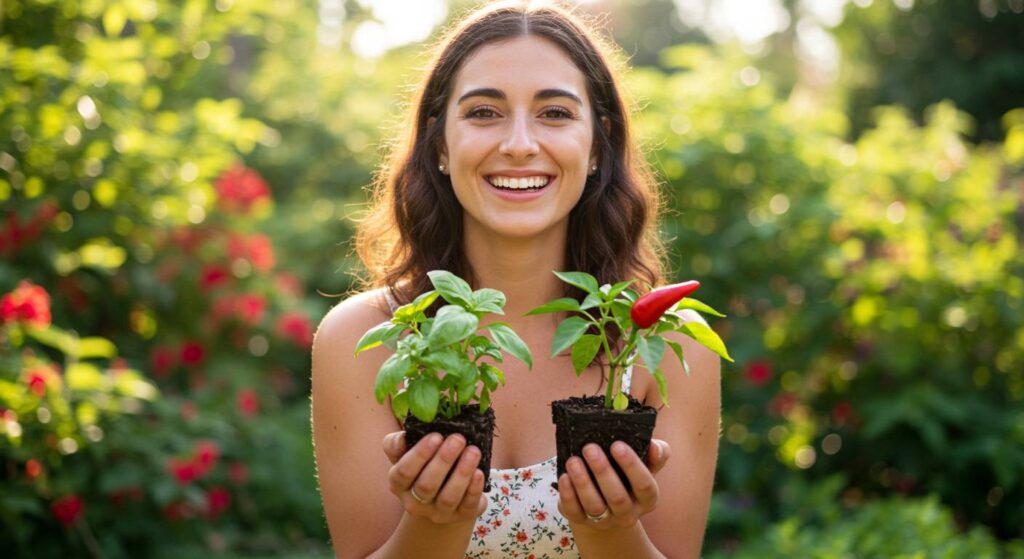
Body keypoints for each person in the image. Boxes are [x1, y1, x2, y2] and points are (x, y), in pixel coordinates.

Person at [311, 2, 721, 557]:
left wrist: (609, 527)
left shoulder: (665, 343)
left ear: (598, 146)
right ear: (439, 146)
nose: (520, 144)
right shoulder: (360, 339)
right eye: (484, 112)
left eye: (555, 113)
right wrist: (433, 524)